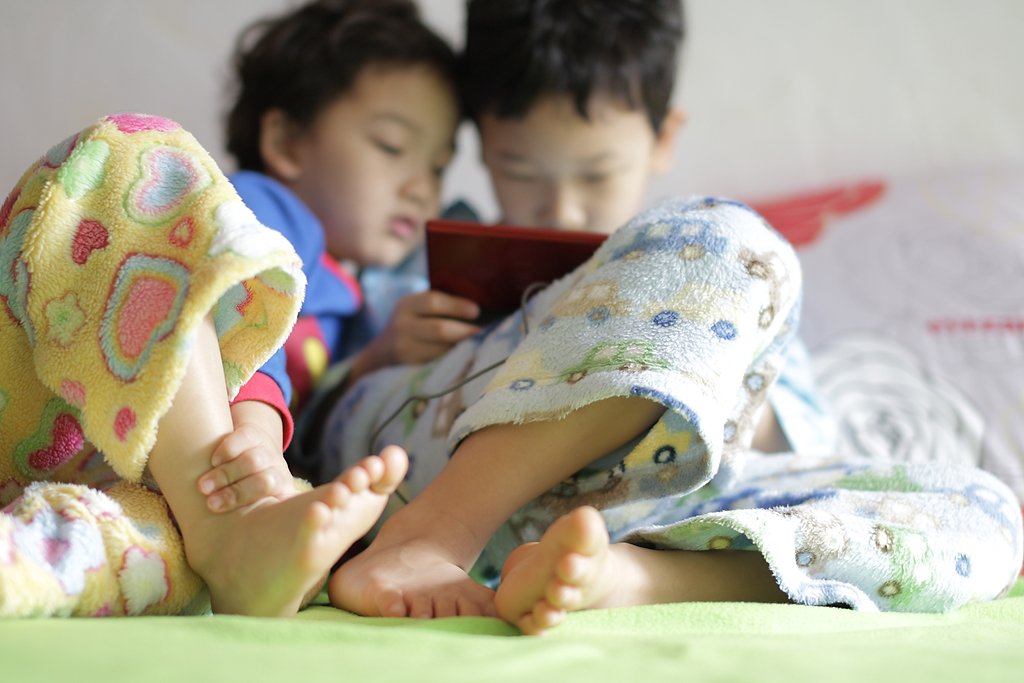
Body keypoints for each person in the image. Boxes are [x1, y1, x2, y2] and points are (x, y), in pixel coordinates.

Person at [314, 0, 1022, 635]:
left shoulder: (699, 270)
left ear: (663, 138)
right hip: (438, 467)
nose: (561, 208)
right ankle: (432, 534)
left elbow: (785, 442)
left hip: (667, 509)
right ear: (482, 142)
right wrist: (378, 354)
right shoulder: (407, 267)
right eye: (520, 172)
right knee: (727, 239)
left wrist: (709, 370)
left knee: (981, 507)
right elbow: (316, 404)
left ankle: (631, 579)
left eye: (596, 174)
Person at [0, 112, 409, 618]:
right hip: (35, 370)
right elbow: (228, 288)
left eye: (439, 167)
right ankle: (229, 529)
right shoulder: (271, 206)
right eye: (392, 146)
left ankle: (229, 556)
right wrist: (258, 429)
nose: (420, 186)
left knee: (160, 555)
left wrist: (376, 358)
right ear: (287, 143)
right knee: (137, 159)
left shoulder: (357, 304)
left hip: (116, 477)